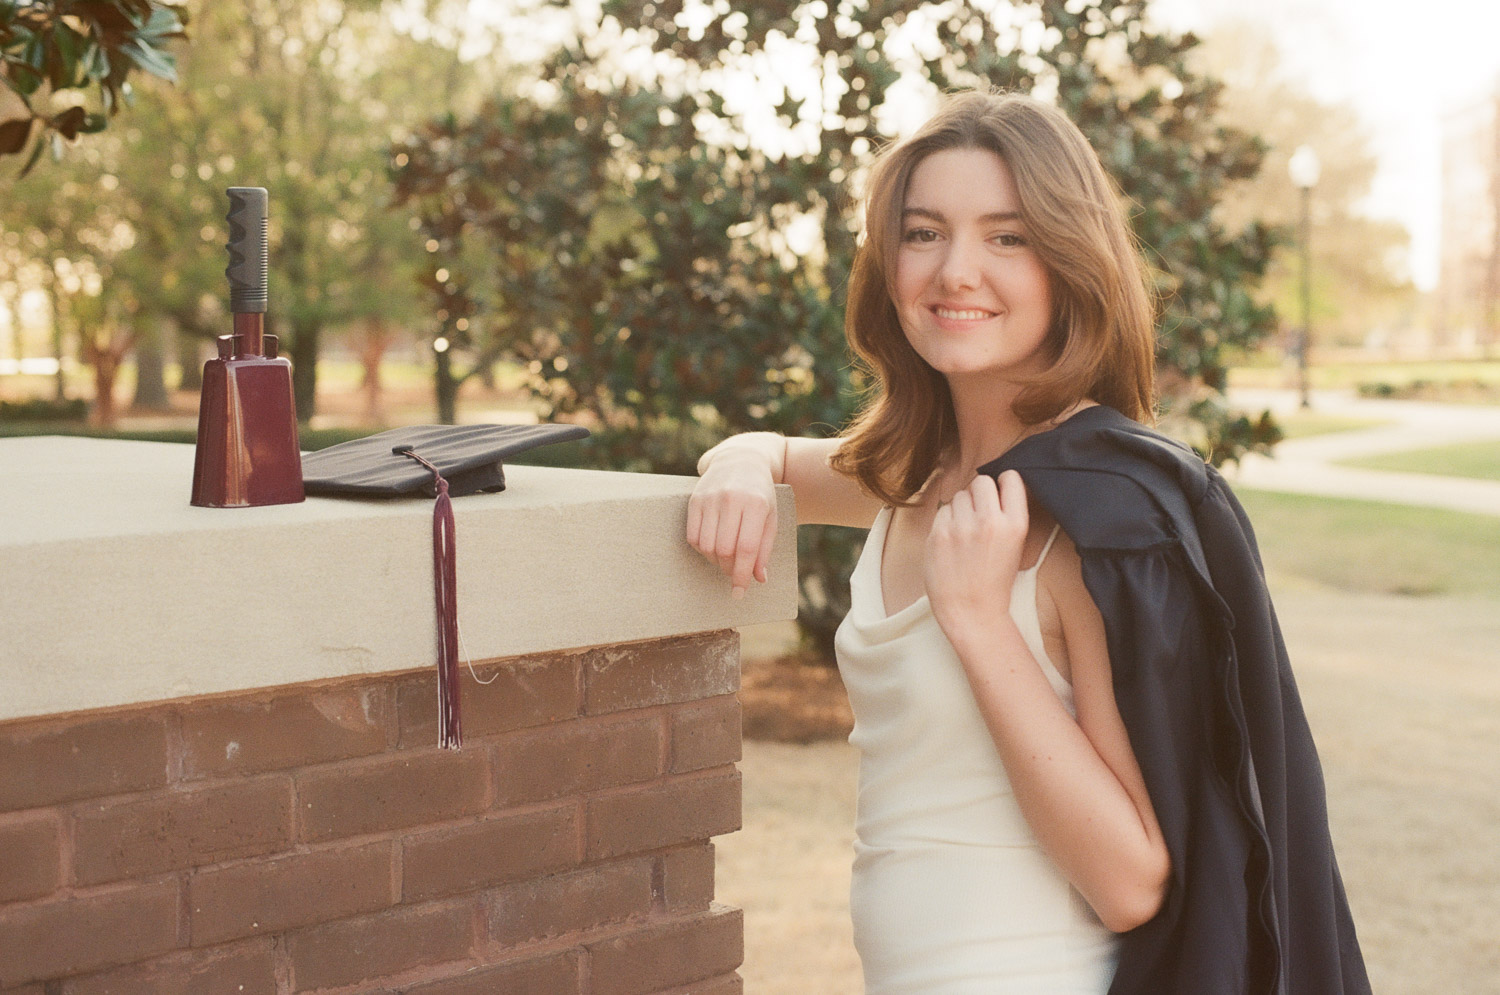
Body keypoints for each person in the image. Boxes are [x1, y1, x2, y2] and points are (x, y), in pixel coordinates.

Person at [686, 90, 1371, 995]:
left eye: (1007, 237)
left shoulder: (1098, 517)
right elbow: (781, 459)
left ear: (1070, 262)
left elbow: (1134, 881)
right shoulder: (912, 474)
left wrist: (979, 622)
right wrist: (735, 460)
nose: (955, 271)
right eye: (923, 232)